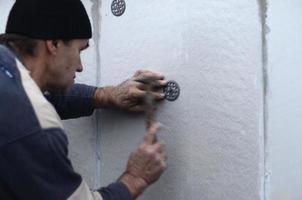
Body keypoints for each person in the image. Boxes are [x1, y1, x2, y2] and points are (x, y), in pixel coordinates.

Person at [0, 0, 167, 199]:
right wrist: (135, 178)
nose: (80, 66)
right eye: (79, 50)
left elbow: (29, 98)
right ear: (53, 44)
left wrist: (104, 95)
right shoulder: (34, 124)